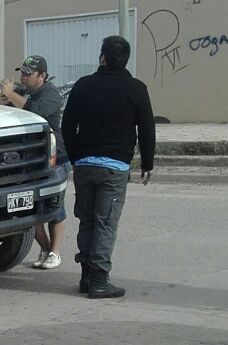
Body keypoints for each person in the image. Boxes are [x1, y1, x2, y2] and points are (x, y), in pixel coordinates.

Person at [61, 36, 155, 299]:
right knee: (105, 224)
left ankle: (86, 276)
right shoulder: (136, 88)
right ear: (125, 59)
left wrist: (75, 156)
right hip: (115, 168)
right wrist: (147, 162)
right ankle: (100, 280)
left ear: (102, 57)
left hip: (85, 165)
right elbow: (147, 128)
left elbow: (67, 125)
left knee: (88, 220)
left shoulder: (83, 86)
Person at [0, 55, 68, 270]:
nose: (24, 77)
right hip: (29, 159)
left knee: (56, 208)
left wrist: (11, 94)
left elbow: (35, 113)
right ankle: (45, 249)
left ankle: (55, 252)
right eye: (23, 73)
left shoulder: (50, 93)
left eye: (29, 74)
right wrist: (2, 100)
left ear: (42, 76)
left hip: (54, 157)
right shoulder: (22, 92)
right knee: (31, 207)